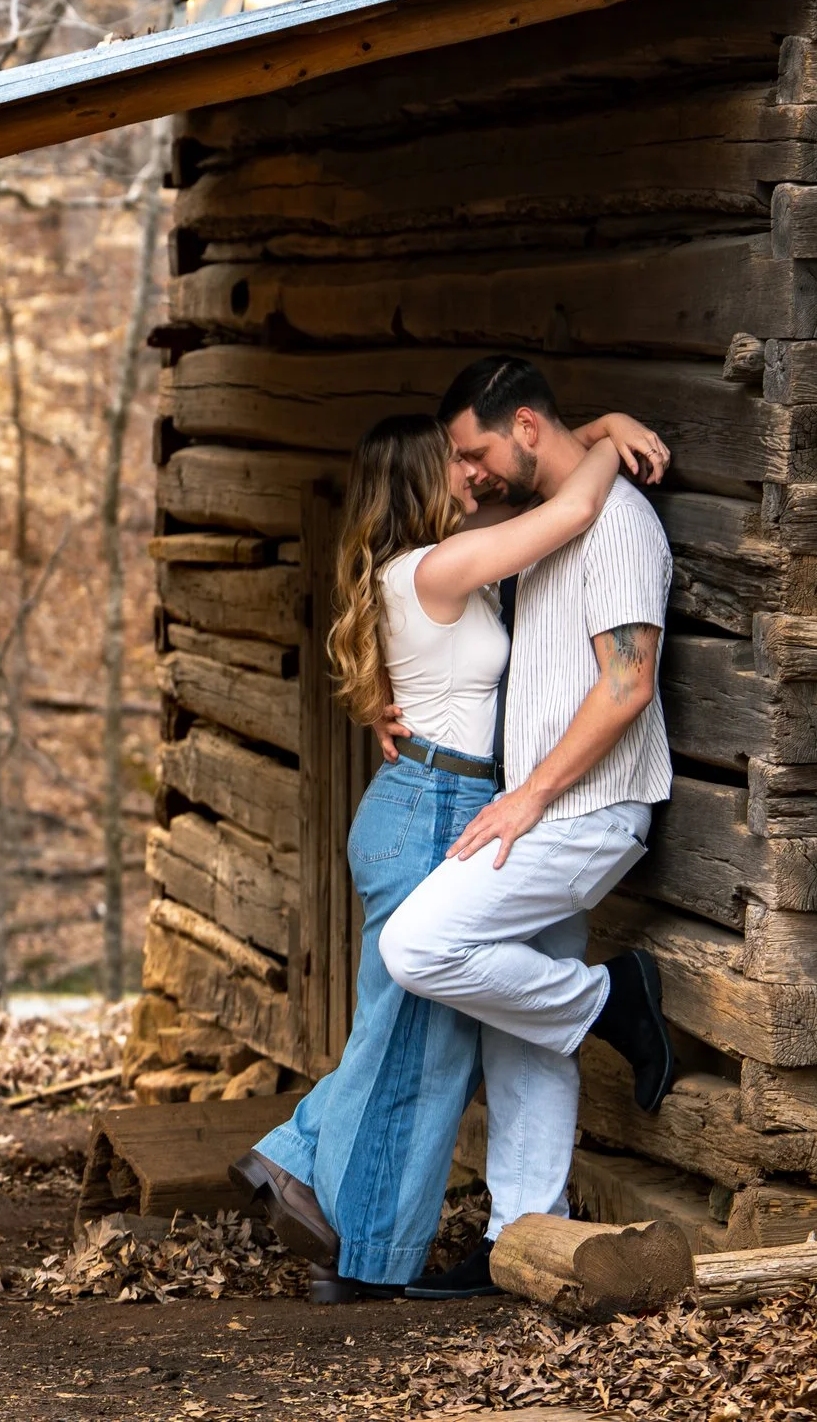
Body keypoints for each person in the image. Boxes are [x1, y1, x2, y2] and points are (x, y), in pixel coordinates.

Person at [230, 401, 668, 1303]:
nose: (471, 476)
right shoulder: (440, 563)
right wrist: (607, 432)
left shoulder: (433, 564)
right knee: (411, 1043)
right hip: (434, 802)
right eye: (454, 464)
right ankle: (340, 1221)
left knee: (408, 1036)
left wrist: (581, 430)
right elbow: (571, 511)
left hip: (426, 797)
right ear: (421, 482)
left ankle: (346, 1231)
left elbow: (530, 494)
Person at [373, 353, 681, 1299]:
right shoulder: (532, 528)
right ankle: (520, 1242)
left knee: (416, 946)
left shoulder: (619, 525)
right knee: (519, 1033)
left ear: (527, 429)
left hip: (587, 810)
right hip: (541, 804)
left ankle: (615, 1003)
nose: (463, 475)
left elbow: (627, 684)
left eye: (473, 454)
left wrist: (532, 793)